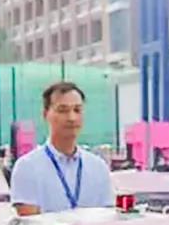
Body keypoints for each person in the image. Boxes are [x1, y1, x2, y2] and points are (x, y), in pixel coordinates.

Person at [9, 81, 114, 216]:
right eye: (63, 110)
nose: (72, 118)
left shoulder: (98, 167)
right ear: (45, 114)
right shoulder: (27, 167)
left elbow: (106, 219)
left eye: (77, 110)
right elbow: (30, 223)